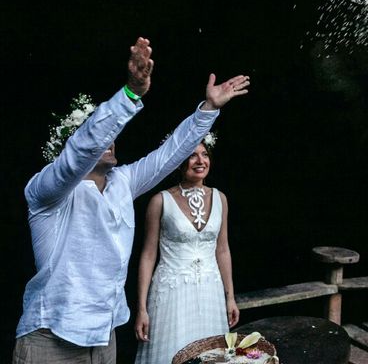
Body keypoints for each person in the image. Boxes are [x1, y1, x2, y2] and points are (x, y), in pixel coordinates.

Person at [13, 37, 250, 364]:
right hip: (51, 337)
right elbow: (81, 150)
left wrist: (208, 109)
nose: (108, 139)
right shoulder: (47, 189)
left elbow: (169, 155)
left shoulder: (123, 181)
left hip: (104, 336)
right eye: (98, 133)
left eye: (112, 135)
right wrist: (131, 93)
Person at [134, 132, 239, 363]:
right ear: (179, 162)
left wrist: (230, 296)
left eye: (204, 154)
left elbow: (223, 249)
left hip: (210, 292)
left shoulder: (220, 198)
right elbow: (148, 255)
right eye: (192, 155)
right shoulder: (160, 201)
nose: (200, 161)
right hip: (172, 294)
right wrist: (141, 307)